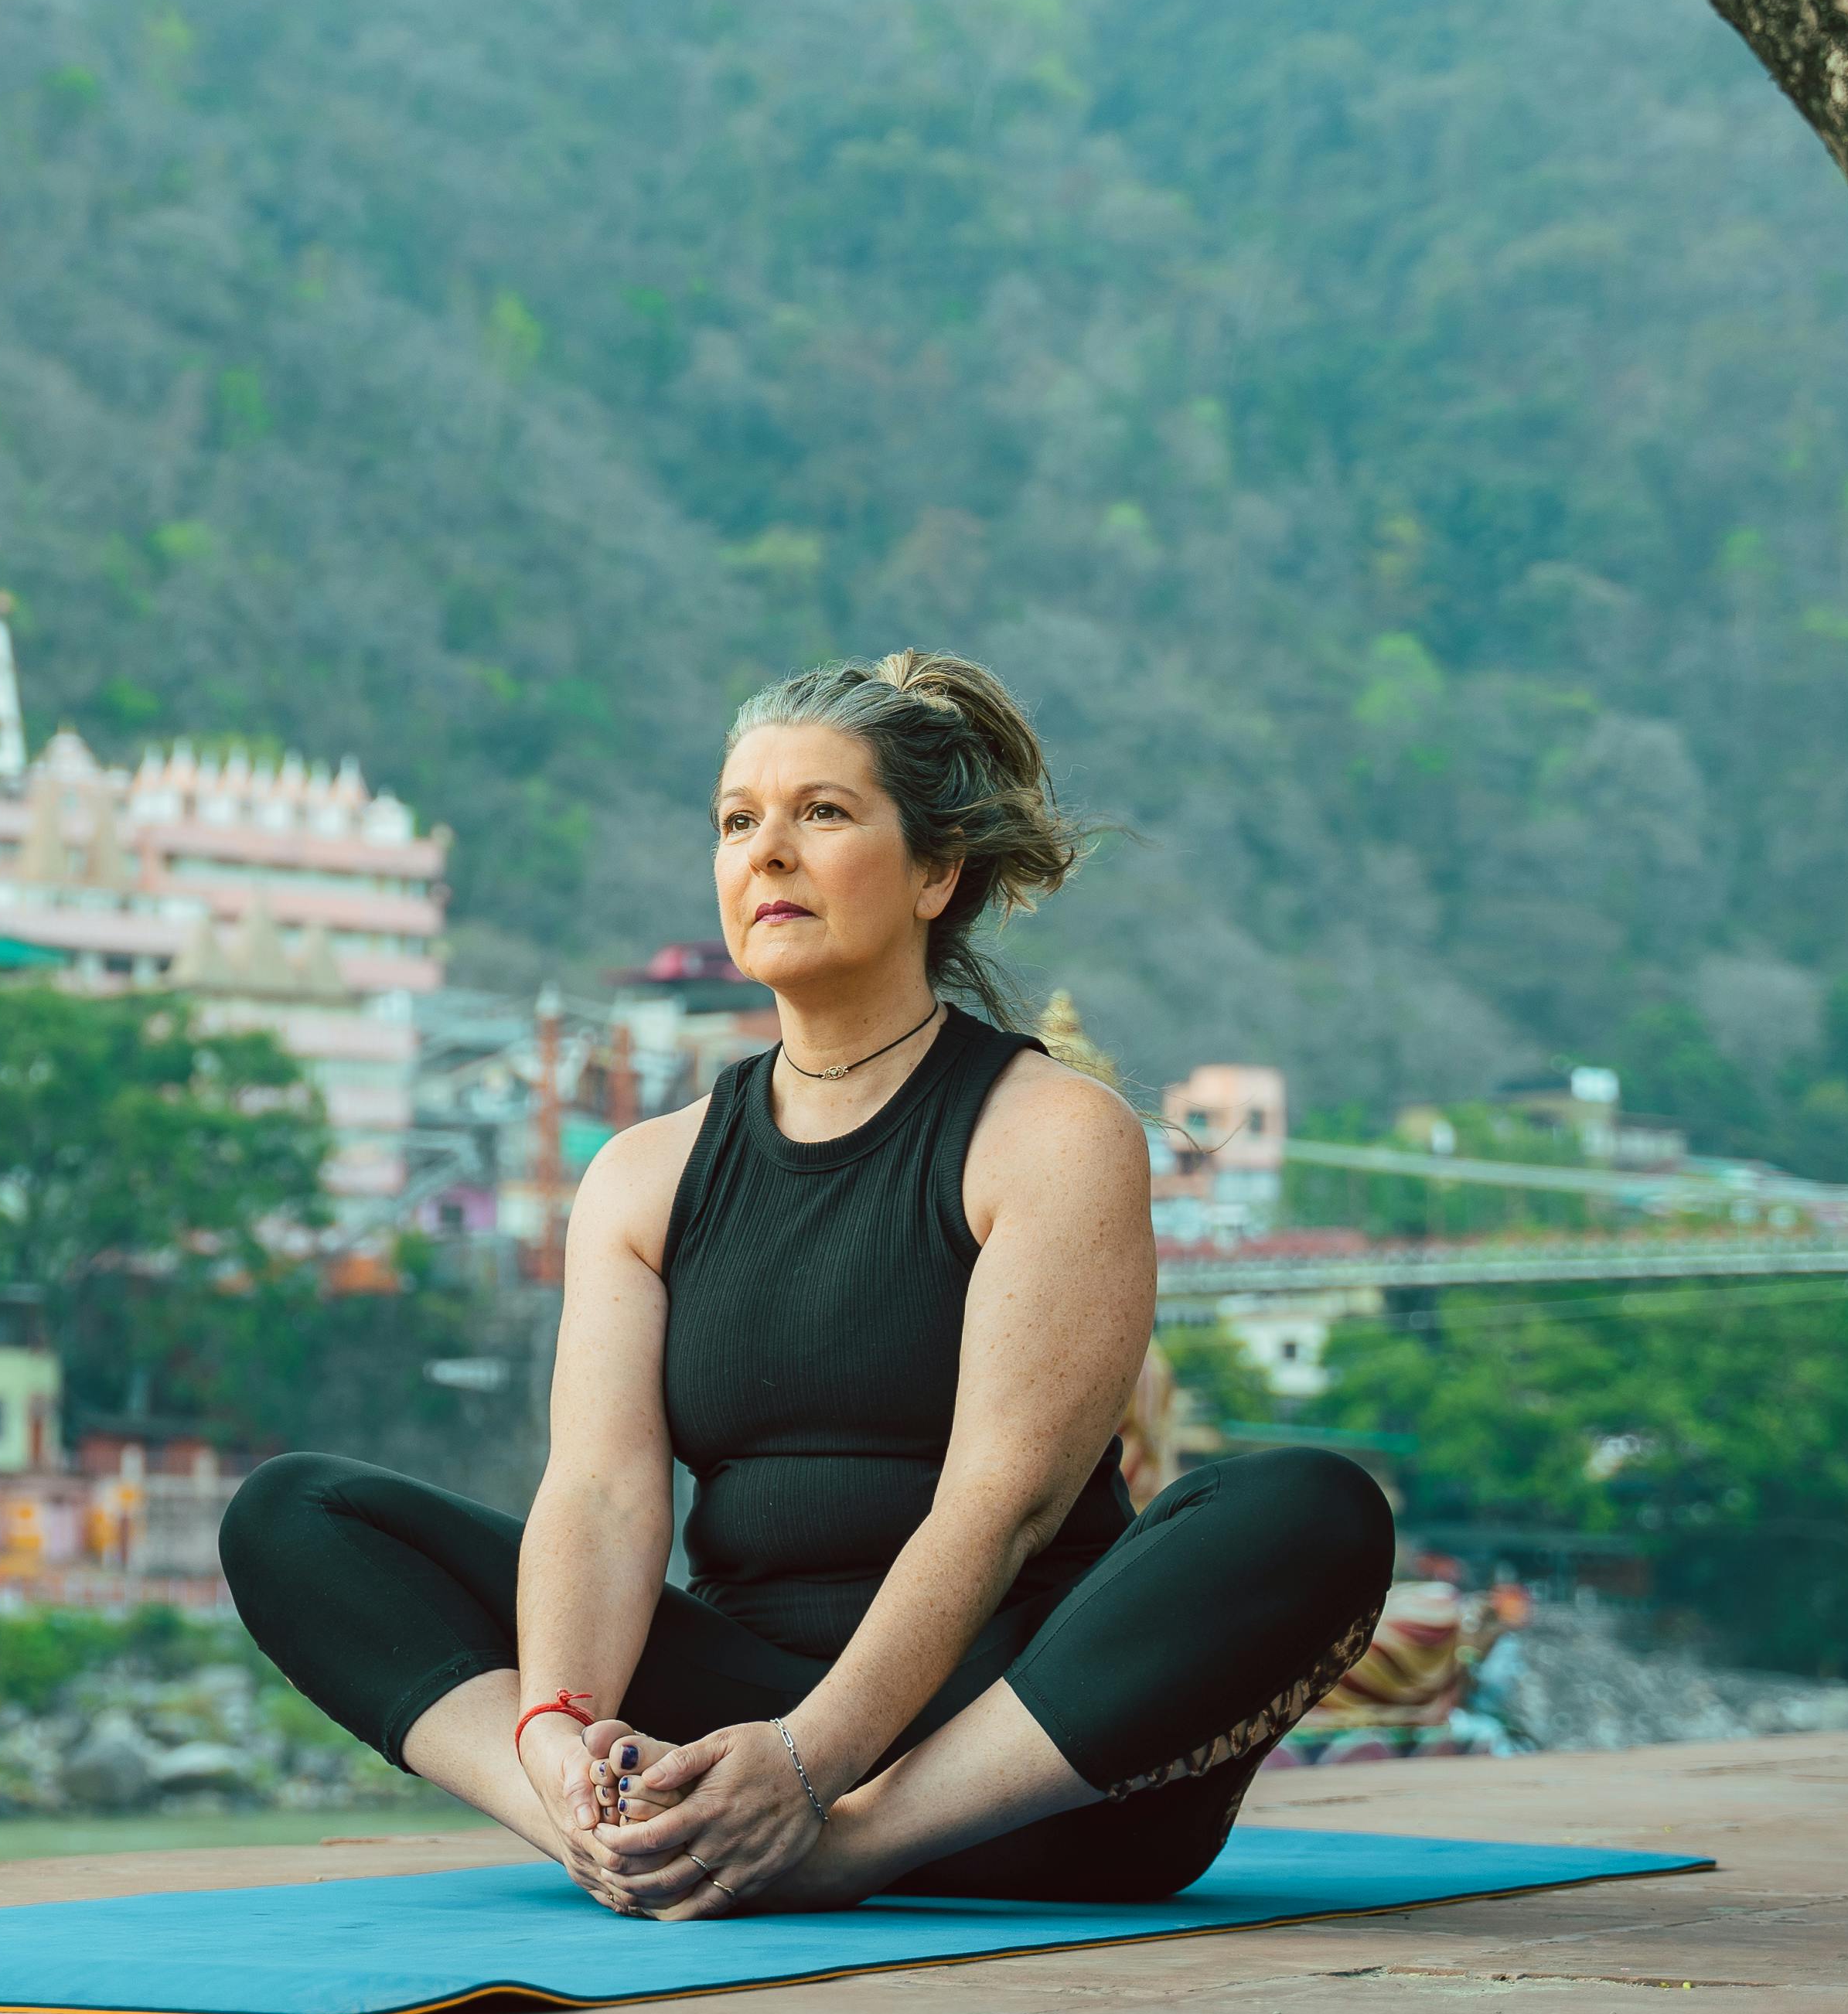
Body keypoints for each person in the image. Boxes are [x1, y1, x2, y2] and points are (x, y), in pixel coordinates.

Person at [223, 652, 1393, 1916]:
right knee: (297, 1515)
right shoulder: (641, 1174)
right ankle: (599, 1837)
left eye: (821, 813)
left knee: (1309, 1508)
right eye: (737, 822)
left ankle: (835, 1854)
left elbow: (999, 1502)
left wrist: (811, 1772)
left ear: (937, 874)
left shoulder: (1050, 1132)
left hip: (1024, 1753)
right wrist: (562, 1736)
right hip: (734, 1715)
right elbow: (606, 1493)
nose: (766, 853)